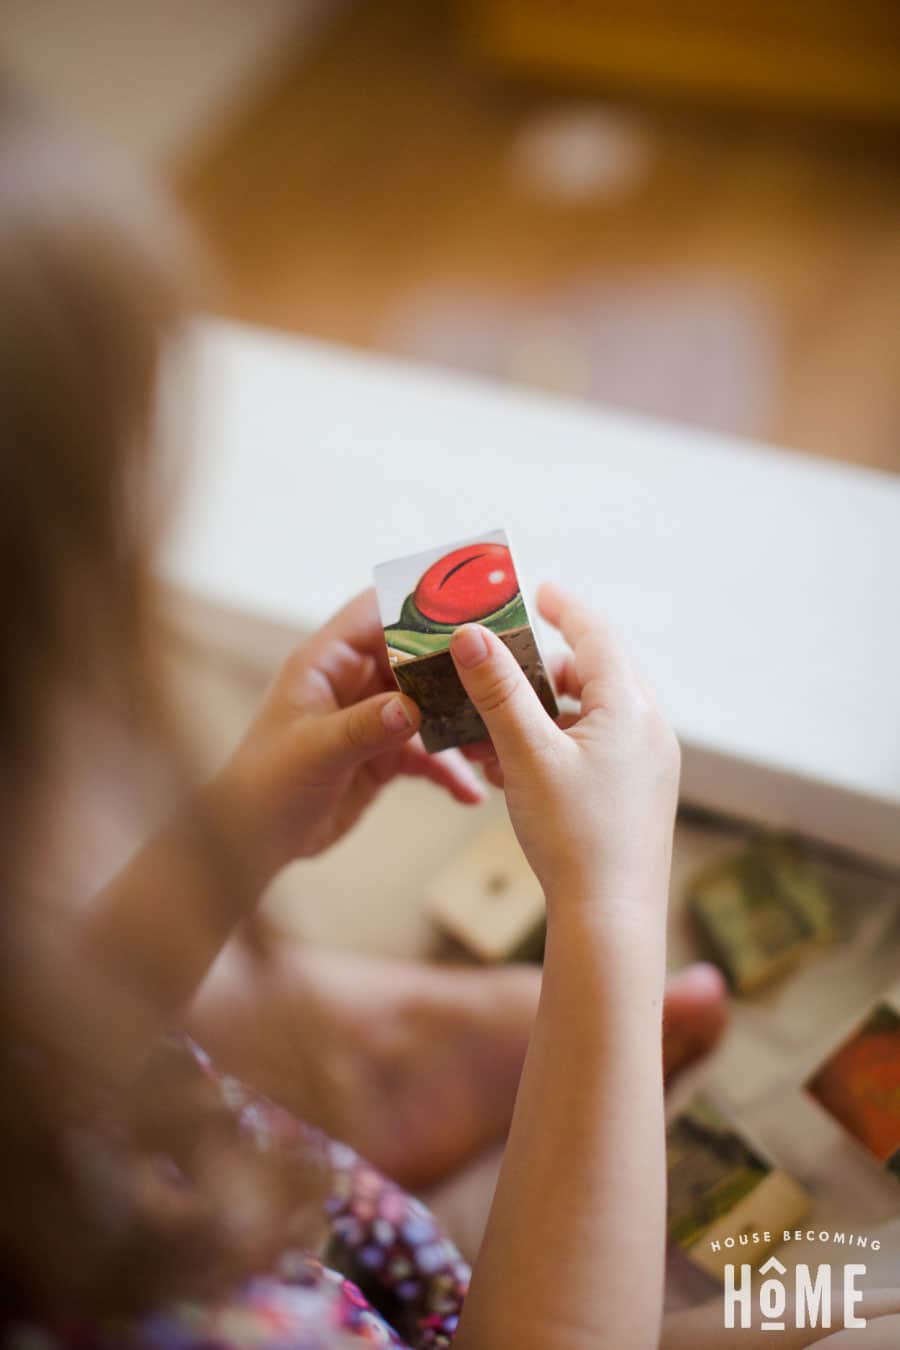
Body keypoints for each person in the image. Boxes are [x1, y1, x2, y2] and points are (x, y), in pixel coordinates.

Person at [0, 92, 732, 1348]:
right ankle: (362, 1050)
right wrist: (606, 913)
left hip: (157, 1171)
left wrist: (234, 833)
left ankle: (362, 1051)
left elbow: (39, 1063)